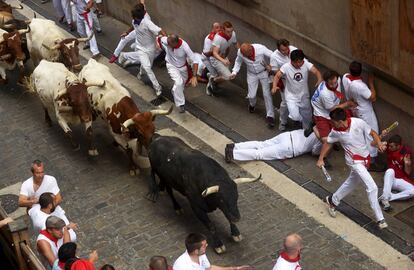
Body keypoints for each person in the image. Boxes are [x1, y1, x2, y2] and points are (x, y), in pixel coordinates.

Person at [317, 108, 388, 229]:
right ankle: (380, 219)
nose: (331, 123)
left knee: (352, 183)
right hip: (354, 162)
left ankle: (333, 200)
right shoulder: (335, 132)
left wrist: (379, 143)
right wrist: (320, 158)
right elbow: (328, 143)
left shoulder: (358, 123)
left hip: (365, 159)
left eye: (333, 121)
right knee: (372, 187)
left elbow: (373, 133)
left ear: (340, 121)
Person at [311, 70, 355, 166]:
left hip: (332, 109)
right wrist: (347, 104)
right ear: (326, 81)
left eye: (335, 82)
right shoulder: (325, 94)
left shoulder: (337, 79)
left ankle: (333, 141)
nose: (334, 85)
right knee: (326, 140)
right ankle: (322, 157)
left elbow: (338, 97)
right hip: (322, 114)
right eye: (331, 84)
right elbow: (332, 109)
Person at [345, 61, 384, 172]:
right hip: (365, 112)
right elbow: (372, 97)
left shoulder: (348, 80)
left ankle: (367, 159)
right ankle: (371, 162)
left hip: (358, 110)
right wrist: (371, 83)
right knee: (371, 135)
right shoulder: (360, 86)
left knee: (364, 134)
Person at [272, 49, 322, 130]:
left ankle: (305, 132)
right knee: (295, 116)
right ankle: (286, 122)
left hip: (304, 95)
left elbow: (316, 71)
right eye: (296, 62)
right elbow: (277, 76)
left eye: (300, 62)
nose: (298, 64)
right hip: (291, 96)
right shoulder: (286, 67)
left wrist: (319, 79)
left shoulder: (306, 64)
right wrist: (274, 86)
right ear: (291, 61)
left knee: (307, 116)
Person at [230, 43, 275, 128]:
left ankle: (270, 116)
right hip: (251, 74)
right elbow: (238, 61)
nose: (247, 56)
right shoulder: (240, 52)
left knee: (267, 94)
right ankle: (252, 104)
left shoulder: (261, 48)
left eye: (248, 54)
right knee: (251, 95)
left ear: (251, 48)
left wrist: (271, 66)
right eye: (244, 55)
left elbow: (273, 56)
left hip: (263, 73)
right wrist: (234, 72)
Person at [224, 127, 322, 163]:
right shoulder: (323, 140)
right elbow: (314, 152)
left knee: (261, 144)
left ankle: (234, 146)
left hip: (288, 135)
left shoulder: (320, 124)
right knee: (259, 154)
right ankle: (233, 154)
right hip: (289, 148)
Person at [157, 34, 198, 113]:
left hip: (182, 68)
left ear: (175, 42)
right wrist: (157, 44)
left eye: (169, 44)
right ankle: (181, 104)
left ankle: (174, 91)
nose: (167, 44)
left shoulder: (185, 47)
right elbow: (160, 37)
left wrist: (194, 76)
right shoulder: (166, 40)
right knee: (178, 83)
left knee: (180, 86)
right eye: (167, 43)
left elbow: (195, 61)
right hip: (171, 65)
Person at [173, 233, 250, 270]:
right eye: (204, 245)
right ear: (196, 251)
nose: (207, 245)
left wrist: (234, 268)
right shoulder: (182, 267)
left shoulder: (201, 254)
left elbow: (210, 268)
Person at [269, 39, 298, 131]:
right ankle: (283, 121)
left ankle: (297, 120)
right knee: (285, 103)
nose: (285, 52)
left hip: (297, 80)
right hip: (285, 81)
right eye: (283, 50)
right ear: (278, 49)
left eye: (286, 49)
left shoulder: (294, 50)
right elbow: (275, 71)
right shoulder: (274, 56)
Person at [379, 135, 414, 211]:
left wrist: (408, 165)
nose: (389, 148)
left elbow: (408, 172)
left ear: (398, 146)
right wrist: (380, 143)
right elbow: (374, 145)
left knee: (413, 191)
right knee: (390, 171)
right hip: (390, 178)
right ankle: (385, 198)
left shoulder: (406, 152)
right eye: (389, 146)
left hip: (400, 180)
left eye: (391, 146)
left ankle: (387, 197)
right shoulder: (388, 148)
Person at [208, 21, 239, 94]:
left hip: (223, 56)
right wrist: (223, 60)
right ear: (223, 30)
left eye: (231, 31)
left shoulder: (233, 34)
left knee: (227, 75)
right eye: (228, 32)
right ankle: (213, 81)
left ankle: (215, 81)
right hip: (215, 58)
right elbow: (214, 53)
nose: (230, 33)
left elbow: (235, 43)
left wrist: (240, 51)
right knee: (228, 76)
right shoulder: (218, 38)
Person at [203, 22, 221, 95]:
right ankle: (209, 88)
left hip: (214, 58)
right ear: (213, 29)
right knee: (215, 75)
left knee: (218, 75)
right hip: (207, 59)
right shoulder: (209, 39)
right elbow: (207, 53)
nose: (219, 29)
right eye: (216, 28)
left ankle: (212, 82)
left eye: (219, 27)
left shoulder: (219, 37)